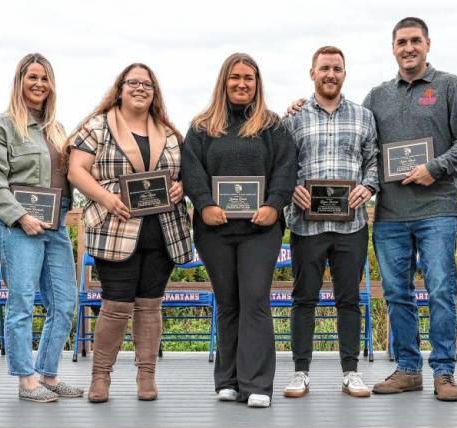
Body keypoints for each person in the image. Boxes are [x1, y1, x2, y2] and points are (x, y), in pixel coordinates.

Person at [288, 17, 457, 402]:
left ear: (427, 44)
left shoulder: (450, 86)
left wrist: (435, 168)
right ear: (393, 48)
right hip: (389, 215)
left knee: (441, 289)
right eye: (401, 42)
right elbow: (367, 153)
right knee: (396, 294)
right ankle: (408, 369)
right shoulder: (375, 98)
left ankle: (444, 372)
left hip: (436, 209)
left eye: (415, 41)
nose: (408, 48)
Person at [67, 63, 193, 403]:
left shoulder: (169, 132)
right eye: (133, 83)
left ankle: (146, 376)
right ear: (120, 88)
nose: (140, 88)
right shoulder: (97, 126)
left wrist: (182, 187)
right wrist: (107, 198)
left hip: (163, 232)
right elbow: (76, 170)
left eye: (147, 84)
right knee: (115, 306)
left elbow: (185, 173)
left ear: (155, 92)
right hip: (115, 228)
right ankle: (101, 376)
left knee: (151, 306)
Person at [182, 52, 296, 408]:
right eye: (235, 78)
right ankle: (228, 380)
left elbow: (286, 169)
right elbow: (192, 169)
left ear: (257, 83)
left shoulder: (272, 126)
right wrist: (204, 204)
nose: (242, 84)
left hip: (260, 230)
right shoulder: (202, 126)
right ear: (224, 81)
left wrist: (273, 205)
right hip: (214, 229)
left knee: (255, 299)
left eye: (249, 78)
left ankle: (257, 383)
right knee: (228, 302)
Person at [0, 53, 83, 402]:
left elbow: (73, 175)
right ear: (20, 81)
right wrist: (21, 217)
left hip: (55, 226)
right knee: (22, 302)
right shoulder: (3, 126)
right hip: (18, 226)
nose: (39, 84)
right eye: (32, 77)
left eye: (45, 78)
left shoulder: (58, 129)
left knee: (65, 302)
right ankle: (26, 379)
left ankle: (49, 375)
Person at [282, 46, 378, 399]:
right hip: (306, 226)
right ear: (312, 73)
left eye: (337, 68)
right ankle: (300, 372)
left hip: (350, 225)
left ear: (344, 73)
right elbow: (281, 164)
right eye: (324, 68)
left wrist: (368, 187)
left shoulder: (363, 116)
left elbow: (373, 161)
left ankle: (351, 372)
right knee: (303, 299)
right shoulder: (292, 118)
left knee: (348, 300)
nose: (331, 74)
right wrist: (292, 188)